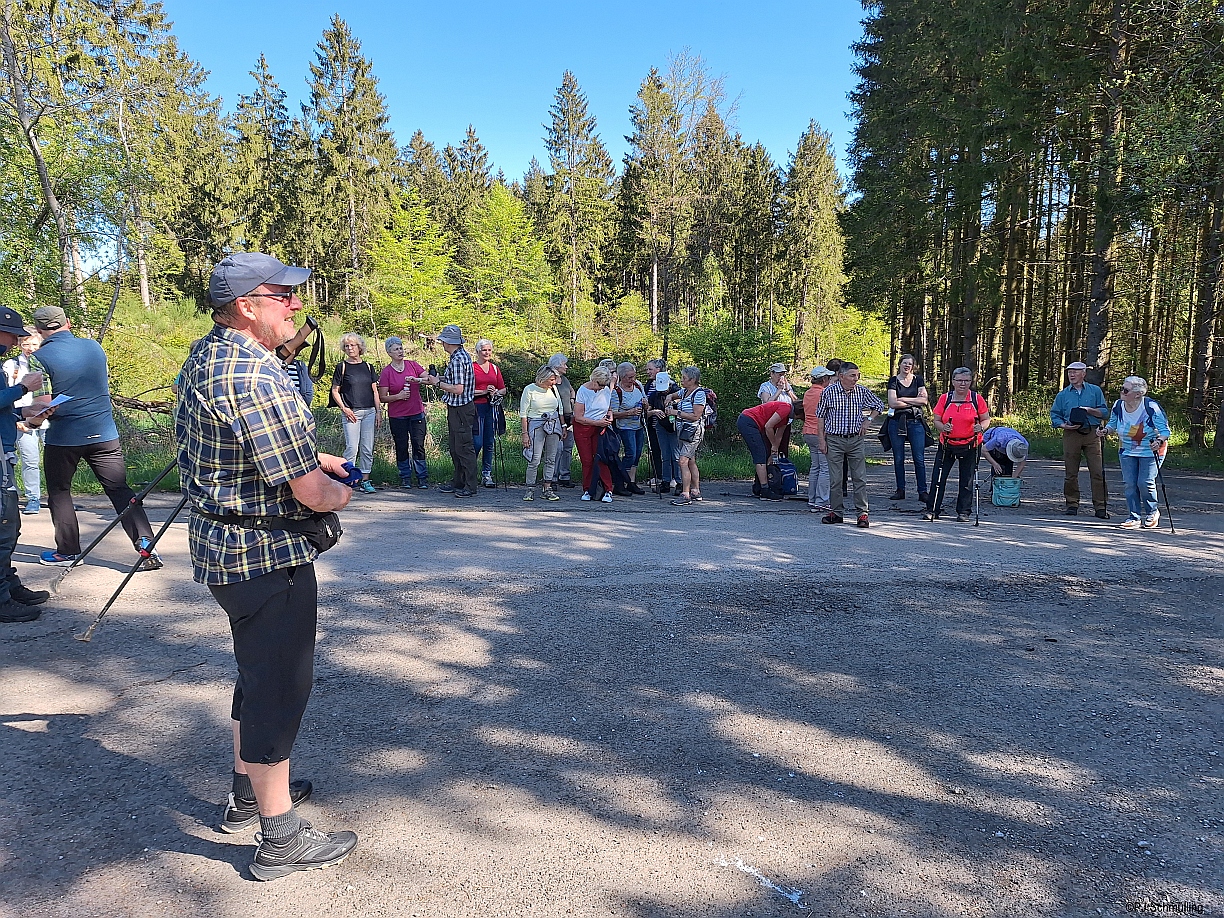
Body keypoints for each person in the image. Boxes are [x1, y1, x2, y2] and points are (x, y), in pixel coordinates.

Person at [177, 252, 356, 880]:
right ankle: (278, 838)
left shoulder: (210, 355)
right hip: (264, 553)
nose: (296, 304)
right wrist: (338, 491)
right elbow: (310, 492)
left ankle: (246, 796)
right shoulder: (254, 374)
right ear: (247, 306)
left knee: (256, 675)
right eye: (284, 295)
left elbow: (244, 449)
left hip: (229, 549)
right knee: (278, 686)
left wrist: (313, 457)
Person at [29, 305, 161, 570]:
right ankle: (147, 547)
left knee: (60, 492)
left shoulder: (39, 358)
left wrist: (31, 422)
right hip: (104, 433)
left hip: (65, 437)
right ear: (68, 322)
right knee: (120, 490)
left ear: (40, 330)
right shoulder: (94, 347)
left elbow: (43, 404)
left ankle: (68, 552)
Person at [0, 308, 52, 622]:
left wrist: (26, 414)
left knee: (9, 525)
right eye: (13, 336)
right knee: (3, 525)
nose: (16, 342)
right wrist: (23, 388)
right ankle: (2, 599)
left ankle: (8, 586)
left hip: (4, 451)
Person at [812, 361, 885, 527]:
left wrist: (868, 420)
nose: (856, 379)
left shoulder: (861, 391)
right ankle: (836, 513)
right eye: (852, 375)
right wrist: (821, 440)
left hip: (855, 440)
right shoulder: (828, 392)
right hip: (834, 439)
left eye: (858, 375)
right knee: (836, 479)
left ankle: (862, 514)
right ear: (841, 376)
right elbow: (820, 417)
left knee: (859, 478)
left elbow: (879, 405)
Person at [1100, 376, 1171, 530]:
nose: (1121, 392)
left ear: (1138, 394)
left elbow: (1165, 431)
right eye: (1121, 388)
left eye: (1125, 390)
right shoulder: (1118, 405)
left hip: (1151, 450)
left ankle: (1152, 512)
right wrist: (1105, 431)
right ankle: (1134, 517)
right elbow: (1113, 424)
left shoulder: (1150, 406)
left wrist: (1159, 440)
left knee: (1145, 482)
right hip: (1127, 449)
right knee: (1130, 484)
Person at [923, 368, 991, 523]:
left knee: (967, 479)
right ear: (953, 381)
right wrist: (943, 428)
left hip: (971, 443)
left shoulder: (976, 399)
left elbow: (986, 419)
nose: (963, 384)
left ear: (971, 382)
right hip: (947, 443)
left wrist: (981, 427)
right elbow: (936, 420)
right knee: (938, 478)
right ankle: (932, 510)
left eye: (966, 381)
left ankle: (964, 512)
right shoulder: (945, 398)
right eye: (959, 380)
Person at [1050, 360, 1109, 518]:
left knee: (1097, 471)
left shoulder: (1095, 391)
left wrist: (1089, 410)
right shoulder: (1063, 395)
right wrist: (1063, 425)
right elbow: (1055, 415)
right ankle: (1072, 504)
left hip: (1092, 433)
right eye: (1070, 372)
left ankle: (1101, 506)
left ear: (1083, 373)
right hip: (1071, 434)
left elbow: (1104, 412)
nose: (1072, 374)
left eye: (1075, 372)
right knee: (1071, 472)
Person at [426, 325, 478, 497]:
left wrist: (437, 383)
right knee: (456, 448)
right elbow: (454, 380)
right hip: (459, 408)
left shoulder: (457, 360)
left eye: (443, 341)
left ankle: (470, 485)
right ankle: (459, 482)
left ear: (448, 342)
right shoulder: (460, 356)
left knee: (463, 448)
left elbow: (458, 389)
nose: (442, 344)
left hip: (461, 408)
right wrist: (431, 379)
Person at [330, 333, 380, 494]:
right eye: (347, 346)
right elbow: (335, 390)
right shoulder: (342, 367)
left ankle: (365, 480)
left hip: (369, 412)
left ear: (359, 347)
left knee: (367, 448)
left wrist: (379, 411)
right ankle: (348, 479)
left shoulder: (368, 367)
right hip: (351, 412)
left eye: (353, 345)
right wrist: (344, 408)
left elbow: (375, 391)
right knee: (351, 447)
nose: (350, 348)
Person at [377, 336, 428, 489]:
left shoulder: (412, 365)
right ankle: (405, 476)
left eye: (401, 348)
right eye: (396, 349)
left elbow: (429, 379)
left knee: (418, 444)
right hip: (397, 415)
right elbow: (382, 397)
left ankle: (422, 476)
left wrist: (417, 380)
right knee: (401, 445)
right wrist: (398, 396)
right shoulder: (386, 372)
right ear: (389, 353)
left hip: (416, 412)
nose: (400, 351)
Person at [5, 329, 44, 515]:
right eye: (26, 344)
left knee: (57, 460)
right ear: (20, 345)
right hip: (23, 419)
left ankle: (60, 497)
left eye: (34, 344)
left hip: (48, 418)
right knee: (30, 460)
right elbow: (7, 394)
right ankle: (33, 498)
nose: (30, 348)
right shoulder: (11, 365)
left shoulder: (47, 363)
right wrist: (15, 418)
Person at [885, 354, 929, 502]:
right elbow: (892, 403)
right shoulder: (893, 381)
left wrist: (903, 399)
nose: (907, 366)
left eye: (910, 364)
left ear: (913, 366)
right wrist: (915, 401)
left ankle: (923, 491)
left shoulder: (918, 380)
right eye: (904, 363)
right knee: (898, 458)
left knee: (919, 458)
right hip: (896, 422)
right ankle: (900, 490)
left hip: (915, 422)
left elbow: (924, 400)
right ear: (899, 364)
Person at [519, 365, 563, 501]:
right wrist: (525, 434)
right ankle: (530, 489)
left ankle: (547, 488)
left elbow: (560, 408)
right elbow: (523, 414)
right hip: (536, 425)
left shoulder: (553, 389)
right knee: (535, 458)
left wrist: (563, 426)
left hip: (553, 424)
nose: (554, 382)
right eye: (551, 380)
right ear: (543, 378)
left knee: (551, 458)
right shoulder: (529, 389)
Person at [573, 366, 615, 503]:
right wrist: (597, 422)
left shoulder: (606, 389)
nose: (601, 388)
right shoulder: (583, 391)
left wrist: (610, 415)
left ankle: (608, 489)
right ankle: (588, 489)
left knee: (602, 458)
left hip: (600, 427)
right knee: (587, 460)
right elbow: (578, 417)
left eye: (604, 385)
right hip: (583, 427)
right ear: (594, 379)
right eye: (599, 385)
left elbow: (608, 407)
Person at [738, 399, 793, 501]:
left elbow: (779, 436)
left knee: (766, 453)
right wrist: (773, 445)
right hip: (748, 421)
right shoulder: (786, 408)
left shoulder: (787, 418)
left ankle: (758, 486)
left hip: (756, 424)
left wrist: (774, 452)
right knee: (760, 455)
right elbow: (768, 426)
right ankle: (764, 490)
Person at [668, 367, 707, 505]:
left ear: (693, 379)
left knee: (683, 461)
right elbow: (673, 395)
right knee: (691, 461)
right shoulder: (684, 392)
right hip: (683, 430)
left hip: (692, 432)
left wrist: (675, 413)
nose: (681, 380)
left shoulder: (699, 394)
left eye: (684, 378)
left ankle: (685, 494)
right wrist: (669, 398)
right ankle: (695, 491)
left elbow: (696, 416)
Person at [472, 339, 507, 488]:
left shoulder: (494, 368)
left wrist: (496, 392)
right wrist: (484, 391)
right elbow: (466, 390)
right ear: (477, 352)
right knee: (477, 442)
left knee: (489, 442)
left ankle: (486, 474)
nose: (487, 353)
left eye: (489, 350)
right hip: (476, 408)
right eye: (484, 350)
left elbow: (503, 389)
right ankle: (469, 472)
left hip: (491, 408)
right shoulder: (471, 367)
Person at [611, 362, 647, 495]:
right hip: (625, 427)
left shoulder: (637, 386)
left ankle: (631, 482)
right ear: (621, 377)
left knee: (637, 454)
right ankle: (620, 482)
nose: (633, 380)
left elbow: (646, 403)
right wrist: (629, 413)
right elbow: (612, 413)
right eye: (629, 377)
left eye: (634, 376)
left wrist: (645, 405)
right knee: (630, 453)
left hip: (639, 426)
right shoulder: (616, 391)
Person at [801, 367, 834, 511]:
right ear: (824, 379)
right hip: (820, 434)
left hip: (808, 432)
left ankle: (812, 499)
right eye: (828, 378)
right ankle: (821, 501)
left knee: (815, 467)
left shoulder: (808, 392)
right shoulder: (824, 393)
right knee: (825, 468)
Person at [646, 370, 680, 493]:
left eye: (665, 389)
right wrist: (654, 412)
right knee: (665, 454)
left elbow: (684, 405)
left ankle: (679, 482)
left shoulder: (677, 392)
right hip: (660, 425)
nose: (663, 391)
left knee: (676, 455)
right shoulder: (654, 395)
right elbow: (646, 413)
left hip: (674, 425)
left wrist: (673, 405)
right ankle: (665, 481)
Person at [547, 354, 577, 488]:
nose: (567, 367)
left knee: (568, 447)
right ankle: (551, 477)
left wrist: (572, 400)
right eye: (564, 364)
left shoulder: (564, 380)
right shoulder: (549, 379)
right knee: (557, 448)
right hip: (555, 418)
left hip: (569, 416)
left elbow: (572, 391)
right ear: (557, 365)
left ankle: (564, 475)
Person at [641, 359, 666, 487]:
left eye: (650, 369)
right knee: (654, 450)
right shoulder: (648, 384)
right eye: (647, 369)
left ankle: (670, 477)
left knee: (667, 451)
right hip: (652, 423)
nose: (647, 372)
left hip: (665, 424)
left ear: (658, 370)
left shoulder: (669, 384)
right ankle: (658, 476)